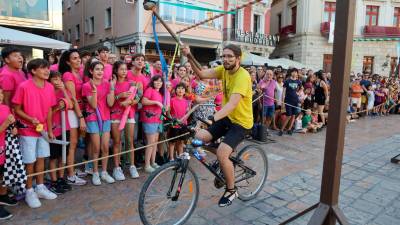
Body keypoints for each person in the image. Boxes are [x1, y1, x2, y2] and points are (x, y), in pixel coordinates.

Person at [182, 44, 253, 207]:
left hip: (241, 123)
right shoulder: (224, 70)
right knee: (199, 138)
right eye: (224, 56)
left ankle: (231, 189)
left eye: (230, 56)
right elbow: (201, 74)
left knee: (221, 153)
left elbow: (232, 104)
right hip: (227, 118)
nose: (226, 59)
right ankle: (226, 159)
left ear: (238, 58)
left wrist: (213, 118)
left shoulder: (243, 76)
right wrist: (189, 56)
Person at [13, 59, 58, 208]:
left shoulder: (50, 87)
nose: (47, 71)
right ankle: (29, 191)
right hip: (27, 130)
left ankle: (40, 187)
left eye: (48, 68)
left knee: (41, 158)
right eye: (43, 68)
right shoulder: (23, 86)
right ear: (33, 71)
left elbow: (50, 110)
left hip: (43, 130)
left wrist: (50, 130)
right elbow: (16, 109)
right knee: (29, 161)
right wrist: (30, 119)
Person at [82, 61, 115, 185]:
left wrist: (111, 88)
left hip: (106, 118)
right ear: (91, 71)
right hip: (93, 118)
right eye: (97, 69)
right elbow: (94, 105)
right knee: (96, 148)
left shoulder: (107, 84)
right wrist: (95, 91)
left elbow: (111, 103)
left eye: (102, 69)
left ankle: (104, 172)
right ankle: (95, 172)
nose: (100, 71)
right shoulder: (86, 86)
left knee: (105, 147)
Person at [59, 49, 87, 186]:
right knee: (73, 144)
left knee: (75, 144)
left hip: (79, 111)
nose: (78, 60)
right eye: (74, 58)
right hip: (72, 112)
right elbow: (73, 98)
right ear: (68, 62)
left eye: (78, 58)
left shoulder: (78, 73)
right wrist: (80, 117)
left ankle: (72, 169)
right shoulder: (68, 75)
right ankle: (70, 175)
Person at [110, 61, 140, 180]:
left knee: (130, 141)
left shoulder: (131, 83)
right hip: (115, 116)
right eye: (121, 69)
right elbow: (110, 101)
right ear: (116, 70)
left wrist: (130, 102)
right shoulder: (112, 84)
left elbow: (137, 98)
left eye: (125, 69)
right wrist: (119, 96)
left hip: (129, 114)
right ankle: (117, 168)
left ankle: (132, 166)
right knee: (117, 142)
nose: (123, 71)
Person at [48, 71, 74, 194]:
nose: (58, 81)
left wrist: (64, 91)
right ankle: (53, 180)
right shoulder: (47, 93)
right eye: (55, 79)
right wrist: (58, 107)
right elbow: (47, 112)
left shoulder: (65, 91)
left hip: (65, 128)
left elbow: (71, 104)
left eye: (59, 79)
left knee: (62, 154)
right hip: (53, 129)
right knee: (53, 156)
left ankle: (60, 178)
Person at [0, 88, 18, 220]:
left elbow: (10, 125)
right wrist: (6, 124)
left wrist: (13, 128)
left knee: (2, 174)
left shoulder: (4, 108)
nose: (1, 96)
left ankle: (2, 197)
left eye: (1, 93)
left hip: (3, 148)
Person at [141, 75, 164, 173]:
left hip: (158, 119)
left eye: (160, 81)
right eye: (156, 81)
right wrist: (156, 102)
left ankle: (153, 162)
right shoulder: (150, 89)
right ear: (153, 82)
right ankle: (147, 165)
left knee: (155, 142)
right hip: (149, 119)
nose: (158, 83)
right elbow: (144, 101)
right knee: (150, 143)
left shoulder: (161, 93)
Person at [168, 83, 190, 161]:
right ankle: (171, 158)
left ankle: (180, 155)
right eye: (179, 88)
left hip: (183, 124)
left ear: (185, 91)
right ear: (175, 90)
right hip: (174, 125)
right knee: (172, 142)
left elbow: (187, 113)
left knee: (181, 141)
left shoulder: (186, 101)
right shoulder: (172, 100)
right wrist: (172, 120)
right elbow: (168, 113)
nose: (180, 90)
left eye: (182, 89)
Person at [279, 68, 302, 136]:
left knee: (293, 115)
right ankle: (282, 129)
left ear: (297, 73)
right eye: (293, 72)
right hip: (288, 100)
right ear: (291, 73)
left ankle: (289, 129)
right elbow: (283, 92)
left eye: (296, 72)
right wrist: (283, 101)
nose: (294, 73)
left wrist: (298, 93)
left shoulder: (298, 81)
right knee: (288, 115)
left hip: (295, 100)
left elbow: (302, 88)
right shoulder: (287, 81)